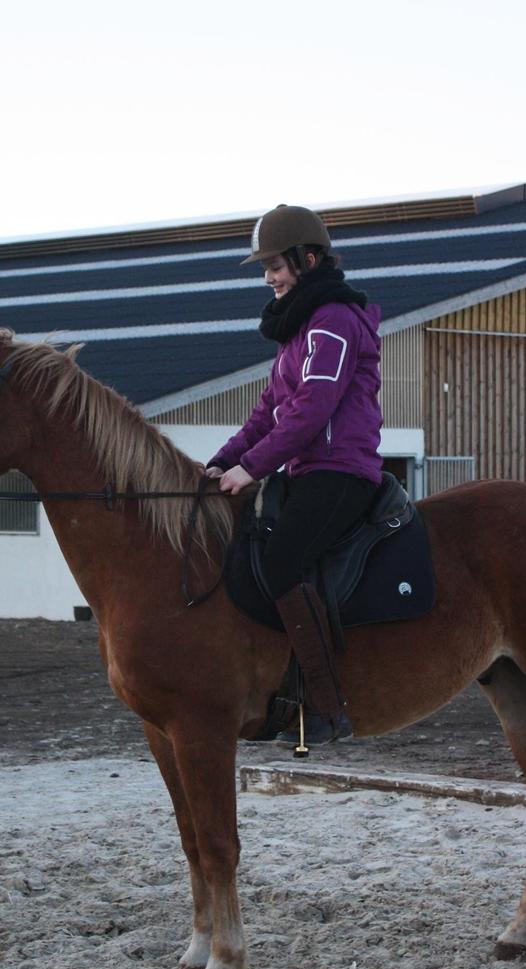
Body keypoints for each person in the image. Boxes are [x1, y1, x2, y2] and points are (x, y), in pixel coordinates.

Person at [206, 204, 384, 743]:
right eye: (264, 269)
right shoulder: (298, 331)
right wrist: (221, 461)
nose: (268, 277)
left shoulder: (332, 320)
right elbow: (267, 414)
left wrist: (251, 468)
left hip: (341, 470)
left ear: (307, 259)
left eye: (275, 266)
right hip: (307, 469)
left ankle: (326, 707)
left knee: (284, 557)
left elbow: (312, 409)